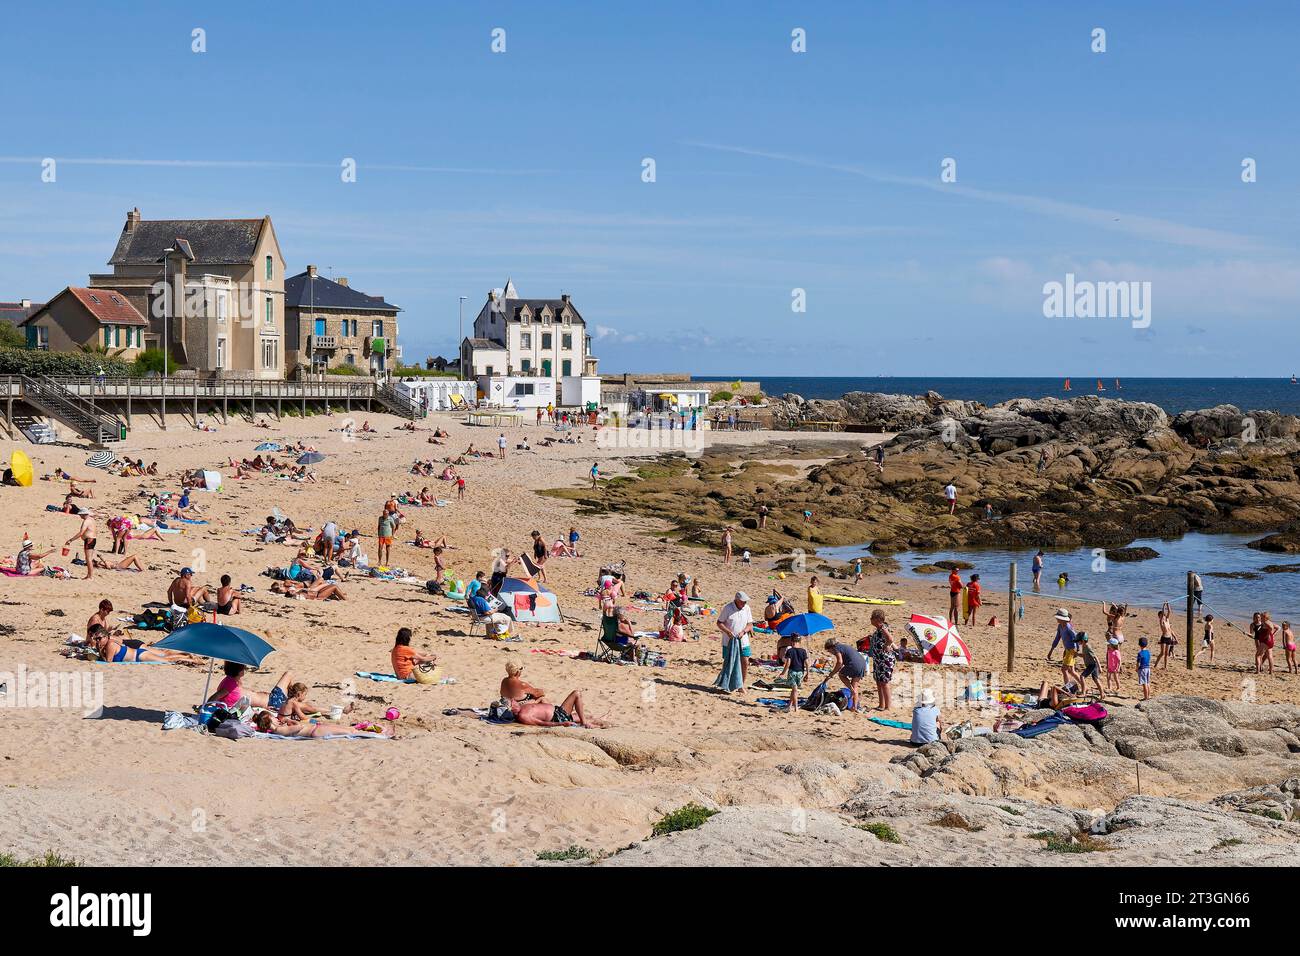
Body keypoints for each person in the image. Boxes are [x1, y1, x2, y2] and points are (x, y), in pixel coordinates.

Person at [87, 624, 191, 664]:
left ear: (105, 636)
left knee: (166, 658)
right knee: (164, 654)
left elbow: (108, 662)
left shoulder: (110, 643)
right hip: (137, 650)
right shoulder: (107, 642)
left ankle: (189, 658)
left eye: (99, 639)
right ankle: (185, 655)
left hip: (138, 651)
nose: (98, 641)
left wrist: (99, 651)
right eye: (97, 639)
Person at [713, 591, 752, 694]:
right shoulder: (728, 608)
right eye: (743, 601)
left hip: (743, 640)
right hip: (729, 641)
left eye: (745, 601)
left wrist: (744, 631)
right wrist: (727, 631)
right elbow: (719, 622)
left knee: (745, 662)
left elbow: (750, 624)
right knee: (729, 662)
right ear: (737, 600)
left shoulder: (747, 608)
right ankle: (726, 683)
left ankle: (741, 685)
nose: (744, 603)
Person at [508, 691, 605, 728]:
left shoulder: (522, 706)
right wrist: (561, 724)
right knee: (576, 694)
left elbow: (538, 702)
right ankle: (585, 723)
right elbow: (540, 723)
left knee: (585, 717)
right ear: (511, 708)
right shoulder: (523, 716)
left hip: (558, 712)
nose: (514, 700)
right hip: (557, 717)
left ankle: (598, 721)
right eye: (512, 702)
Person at [825, 635, 868, 712]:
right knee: (855, 685)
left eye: (829, 651)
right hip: (862, 664)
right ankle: (854, 707)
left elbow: (840, 662)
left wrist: (831, 674)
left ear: (831, 647)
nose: (830, 653)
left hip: (854, 664)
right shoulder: (843, 646)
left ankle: (851, 690)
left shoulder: (837, 648)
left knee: (841, 674)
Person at [778, 633, 807, 717]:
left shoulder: (790, 651)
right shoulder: (803, 651)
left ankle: (796, 708)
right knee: (794, 689)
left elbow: (788, 663)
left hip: (792, 672)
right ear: (800, 641)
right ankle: (789, 706)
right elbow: (806, 663)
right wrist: (808, 673)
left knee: (794, 690)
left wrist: (783, 673)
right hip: (801, 672)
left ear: (791, 641)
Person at [64, 509, 97, 580]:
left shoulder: (86, 521)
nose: (80, 516)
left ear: (84, 514)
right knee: (88, 558)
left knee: (88, 558)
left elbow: (81, 533)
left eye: (81, 515)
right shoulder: (91, 519)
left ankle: (90, 576)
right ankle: (89, 575)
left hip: (89, 540)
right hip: (92, 539)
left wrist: (71, 540)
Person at [1155, 602, 1175, 669]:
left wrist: (1167, 604)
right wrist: (1163, 605)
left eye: (1163, 615)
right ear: (1159, 616)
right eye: (1161, 615)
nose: (1162, 616)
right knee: (1162, 653)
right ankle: (1155, 665)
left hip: (1169, 638)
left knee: (1166, 654)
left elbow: (1169, 611)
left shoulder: (1167, 620)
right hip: (1164, 638)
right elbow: (1163, 611)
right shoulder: (1161, 621)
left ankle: (1165, 667)